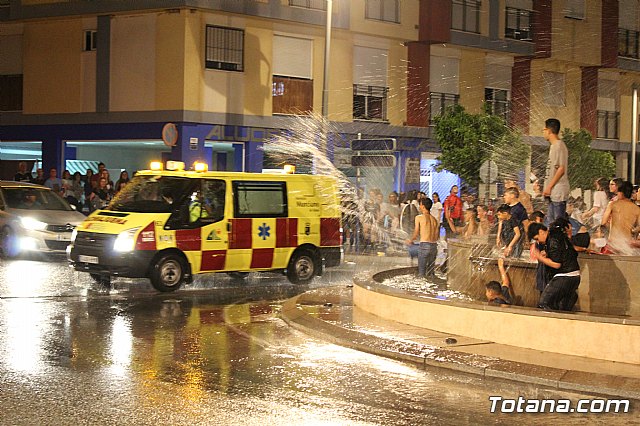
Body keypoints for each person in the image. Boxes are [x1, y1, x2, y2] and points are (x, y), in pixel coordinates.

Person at [528, 219, 581, 312]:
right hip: (575, 276)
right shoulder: (556, 234)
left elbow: (557, 264)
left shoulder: (552, 240)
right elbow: (563, 252)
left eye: (537, 238)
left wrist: (540, 257)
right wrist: (547, 253)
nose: (538, 241)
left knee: (543, 304)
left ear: (541, 232)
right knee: (562, 308)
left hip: (564, 277)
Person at [542, 118, 570, 225]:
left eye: (544, 130)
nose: (543, 132)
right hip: (553, 193)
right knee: (550, 224)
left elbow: (561, 169)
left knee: (557, 225)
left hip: (558, 192)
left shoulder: (559, 146)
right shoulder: (554, 146)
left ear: (549, 130)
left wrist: (549, 187)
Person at [600, 180, 640, 253]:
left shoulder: (613, 204)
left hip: (613, 243)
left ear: (621, 192)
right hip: (627, 245)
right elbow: (639, 228)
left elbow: (603, 223)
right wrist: (632, 230)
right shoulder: (637, 209)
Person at [406, 198, 439, 278]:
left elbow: (416, 232)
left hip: (424, 245)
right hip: (434, 246)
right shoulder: (435, 220)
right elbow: (436, 236)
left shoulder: (419, 217)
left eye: (420, 205)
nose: (419, 207)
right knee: (431, 273)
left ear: (423, 206)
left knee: (422, 274)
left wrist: (410, 240)